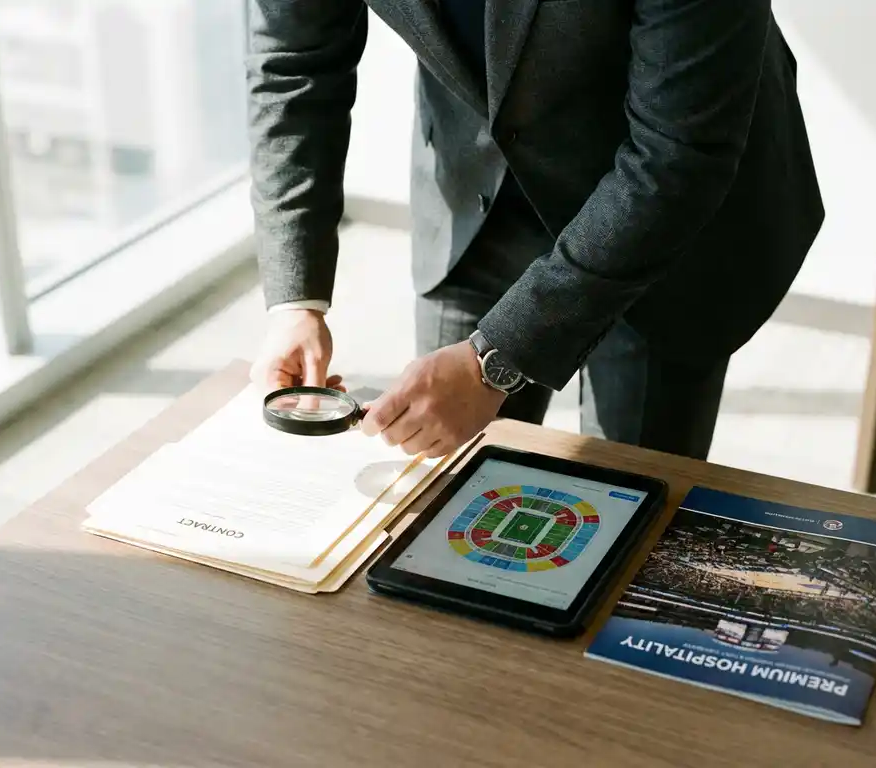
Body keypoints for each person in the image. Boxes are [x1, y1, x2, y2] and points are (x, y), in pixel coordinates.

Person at [248, 0, 824, 461]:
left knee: (624, 510)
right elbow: (292, 68)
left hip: (667, 224)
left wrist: (492, 360)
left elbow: (676, 157)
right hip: (476, 195)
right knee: (446, 484)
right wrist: (294, 300)